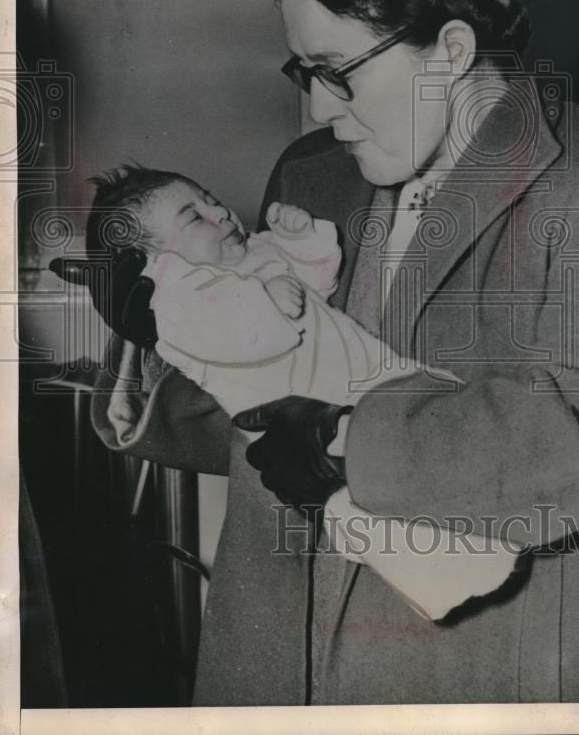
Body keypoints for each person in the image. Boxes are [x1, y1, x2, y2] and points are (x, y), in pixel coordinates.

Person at [83, 0, 579, 704]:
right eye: (301, 72)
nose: (316, 110)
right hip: (285, 642)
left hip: (510, 654)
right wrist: (146, 327)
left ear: (451, 48)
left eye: (338, 71)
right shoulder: (312, 174)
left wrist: (345, 441)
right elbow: (261, 404)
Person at [86, 164, 519, 620]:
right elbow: (237, 336)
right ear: (154, 261)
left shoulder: (253, 252)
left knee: (429, 438)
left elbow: (320, 279)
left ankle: (484, 546)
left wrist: (301, 239)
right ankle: (443, 580)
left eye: (209, 198)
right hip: (303, 417)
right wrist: (266, 298)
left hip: (360, 376)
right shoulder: (177, 300)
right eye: (193, 217)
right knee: (363, 509)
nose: (219, 213)